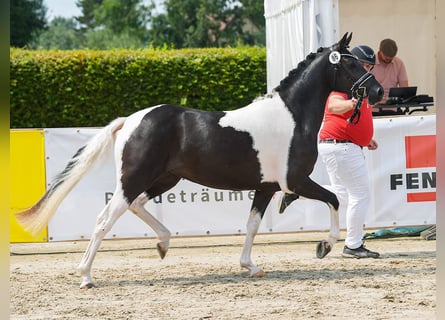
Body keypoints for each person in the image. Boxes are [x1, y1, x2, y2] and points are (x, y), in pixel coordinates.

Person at [278, 45, 380, 259]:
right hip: (341, 147)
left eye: (370, 66)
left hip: (341, 145)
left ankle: (296, 191)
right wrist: (353, 103)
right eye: (364, 64)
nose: (367, 69)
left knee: (341, 194)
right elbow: (334, 106)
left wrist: (365, 138)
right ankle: (353, 244)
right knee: (361, 195)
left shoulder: (355, 85)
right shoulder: (345, 85)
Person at [372, 38, 409, 104]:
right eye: (386, 58)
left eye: (391, 58)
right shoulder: (369, 62)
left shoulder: (399, 63)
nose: (389, 60)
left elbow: (404, 89)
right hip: (373, 108)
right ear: (380, 51)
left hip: (392, 107)